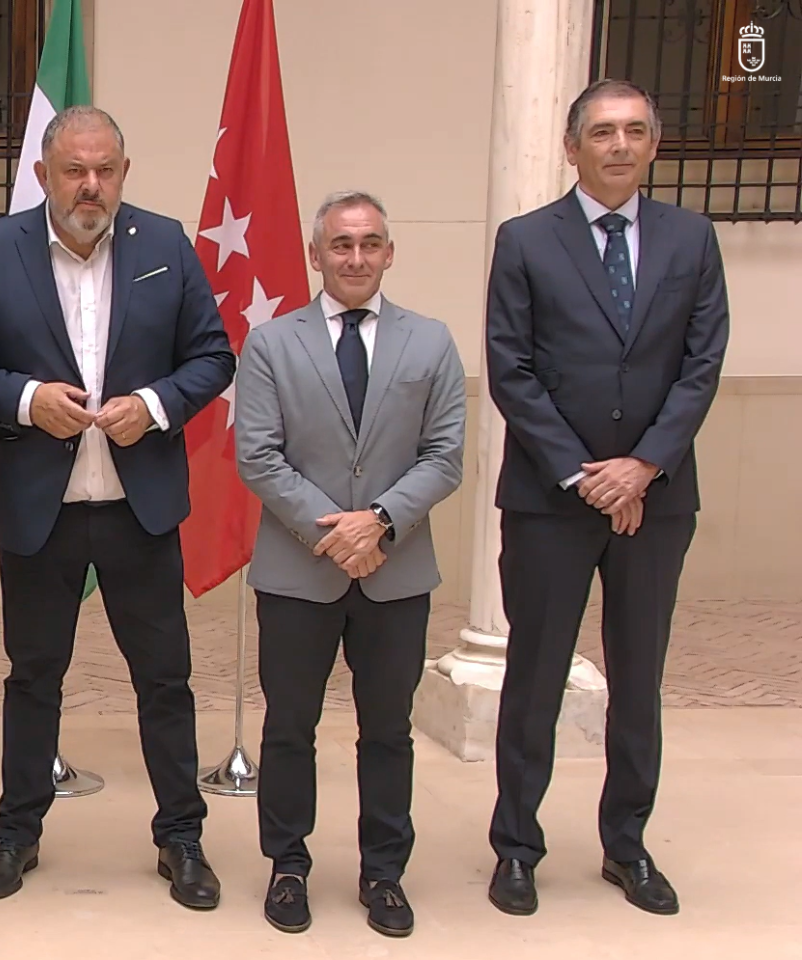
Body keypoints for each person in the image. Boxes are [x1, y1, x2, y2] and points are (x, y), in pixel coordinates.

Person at [0, 106, 234, 910]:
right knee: (33, 676)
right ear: (43, 174)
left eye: (105, 168)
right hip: (38, 508)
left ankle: (181, 838)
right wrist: (25, 398)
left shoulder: (165, 245)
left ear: (124, 172)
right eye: (74, 169)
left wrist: (152, 404)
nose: (91, 184)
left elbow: (213, 355)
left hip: (138, 507)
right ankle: (17, 834)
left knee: (165, 680)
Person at [484, 78, 728, 919]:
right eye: (601, 132)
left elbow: (702, 364)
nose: (618, 145)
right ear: (570, 147)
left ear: (653, 145)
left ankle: (626, 843)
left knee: (639, 674)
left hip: (656, 501)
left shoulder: (691, 239)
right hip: (552, 500)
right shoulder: (524, 240)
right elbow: (510, 367)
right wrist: (591, 474)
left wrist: (645, 466)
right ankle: (516, 845)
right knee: (536, 673)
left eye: (633, 132)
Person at [234, 190, 467, 937]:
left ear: (390, 253)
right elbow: (259, 457)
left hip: (396, 575)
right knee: (288, 726)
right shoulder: (272, 344)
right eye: (341, 245)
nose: (356, 257)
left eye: (370, 244)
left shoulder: (431, 343)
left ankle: (384, 872)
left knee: (388, 729)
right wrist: (334, 533)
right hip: (299, 571)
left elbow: (446, 456)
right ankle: (289, 864)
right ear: (316, 254)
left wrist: (382, 525)